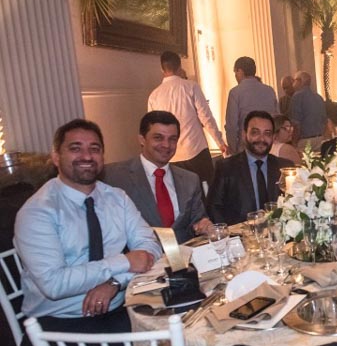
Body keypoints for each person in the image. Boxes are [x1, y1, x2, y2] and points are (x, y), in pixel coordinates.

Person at [15, 119, 162, 346]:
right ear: (56, 156)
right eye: (75, 148)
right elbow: (55, 284)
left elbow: (150, 248)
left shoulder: (117, 198)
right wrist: (121, 262)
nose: (86, 156)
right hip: (57, 322)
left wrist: (114, 283)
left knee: (182, 345)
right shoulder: (38, 211)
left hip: (116, 309)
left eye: (94, 149)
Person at [103, 111, 213, 244]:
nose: (166, 145)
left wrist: (203, 224)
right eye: (158, 138)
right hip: (140, 254)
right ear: (142, 139)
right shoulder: (115, 177)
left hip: (185, 254)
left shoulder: (190, 179)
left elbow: (197, 220)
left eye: (172, 139)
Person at [148, 51, 227, 184]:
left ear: (162, 69)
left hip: (171, 155)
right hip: (195, 150)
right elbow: (206, 117)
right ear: (180, 67)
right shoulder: (191, 87)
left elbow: (153, 130)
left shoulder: (154, 96)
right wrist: (220, 142)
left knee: (180, 194)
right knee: (207, 191)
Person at [207, 111, 294, 225]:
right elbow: (214, 208)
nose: (261, 139)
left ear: (273, 137)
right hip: (239, 233)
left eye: (267, 134)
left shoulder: (284, 167)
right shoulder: (226, 168)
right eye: (255, 132)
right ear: (244, 134)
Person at [225, 56, 278, 154]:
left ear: (240, 71)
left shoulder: (235, 92)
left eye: (235, 72)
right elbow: (277, 119)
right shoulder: (270, 91)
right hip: (268, 144)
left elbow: (231, 125)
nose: (235, 76)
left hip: (246, 146)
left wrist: (233, 148)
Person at [290, 71, 327, 151]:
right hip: (320, 139)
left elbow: (296, 123)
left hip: (305, 141)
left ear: (299, 81)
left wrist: (294, 142)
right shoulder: (319, 97)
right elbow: (324, 121)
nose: (293, 83)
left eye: (294, 80)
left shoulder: (297, 97)